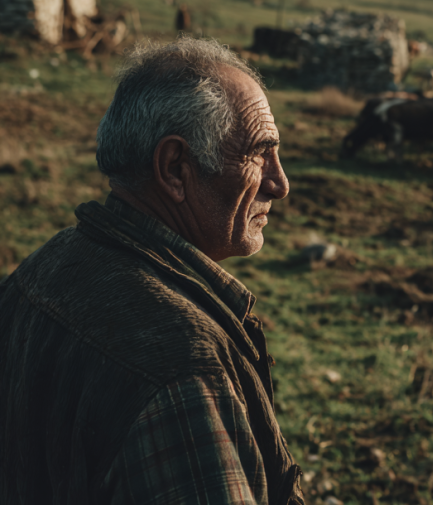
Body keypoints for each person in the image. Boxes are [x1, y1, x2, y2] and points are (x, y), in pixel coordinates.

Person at [0, 38, 303, 505]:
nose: (280, 184)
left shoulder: (43, 267)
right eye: (259, 153)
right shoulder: (185, 368)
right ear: (175, 168)